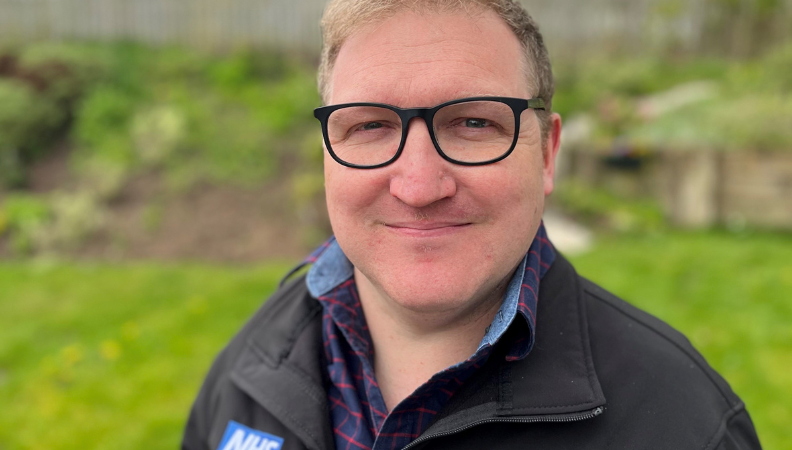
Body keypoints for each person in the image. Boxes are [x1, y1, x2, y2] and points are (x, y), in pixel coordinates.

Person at [182, 0, 762, 449]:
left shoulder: (685, 423)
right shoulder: (250, 369)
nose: (418, 185)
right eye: (370, 127)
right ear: (328, 153)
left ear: (546, 154)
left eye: (473, 124)